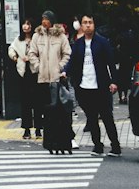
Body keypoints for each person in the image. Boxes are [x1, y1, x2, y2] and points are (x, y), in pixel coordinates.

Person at [67, 13, 121, 157]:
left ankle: (115, 146)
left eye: (90, 22)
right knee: (91, 118)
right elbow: (72, 62)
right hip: (84, 86)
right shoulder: (78, 44)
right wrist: (65, 72)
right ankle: (97, 146)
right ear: (81, 25)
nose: (87, 25)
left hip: (101, 86)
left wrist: (114, 81)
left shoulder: (102, 42)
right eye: (85, 22)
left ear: (94, 24)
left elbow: (111, 62)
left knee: (107, 117)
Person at [27, 10, 71, 107]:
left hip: (57, 79)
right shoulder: (37, 36)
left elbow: (67, 54)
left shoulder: (61, 36)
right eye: (43, 19)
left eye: (47, 19)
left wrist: (60, 66)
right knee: (43, 108)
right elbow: (31, 53)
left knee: (57, 108)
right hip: (42, 79)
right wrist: (38, 66)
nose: (44, 21)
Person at [8, 18, 39, 139]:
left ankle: (38, 128)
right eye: (24, 24)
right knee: (25, 102)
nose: (26, 26)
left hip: (35, 71)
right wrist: (15, 57)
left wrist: (32, 59)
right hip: (23, 72)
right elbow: (11, 49)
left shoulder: (36, 38)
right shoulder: (18, 39)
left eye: (29, 24)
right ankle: (26, 129)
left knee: (37, 102)